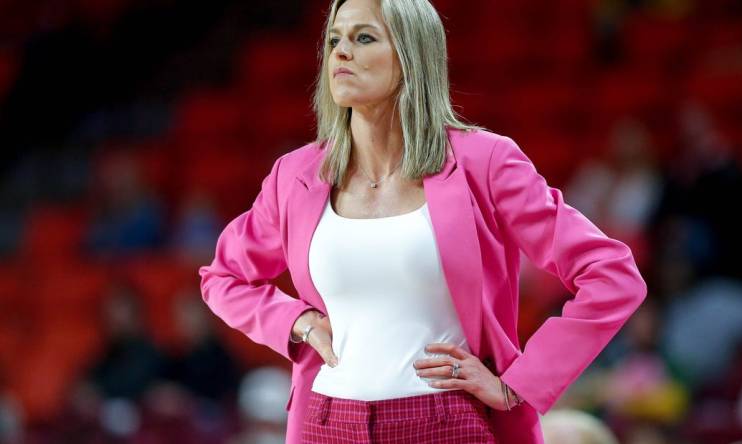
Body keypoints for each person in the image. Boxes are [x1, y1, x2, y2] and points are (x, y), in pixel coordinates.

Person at [199, 0, 647, 442]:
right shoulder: (295, 174)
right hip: (325, 420)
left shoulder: (485, 161)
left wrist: (518, 384)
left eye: (364, 37)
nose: (341, 52)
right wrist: (300, 322)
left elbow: (612, 275)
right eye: (334, 39)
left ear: (412, 54)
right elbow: (222, 278)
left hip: (445, 419)